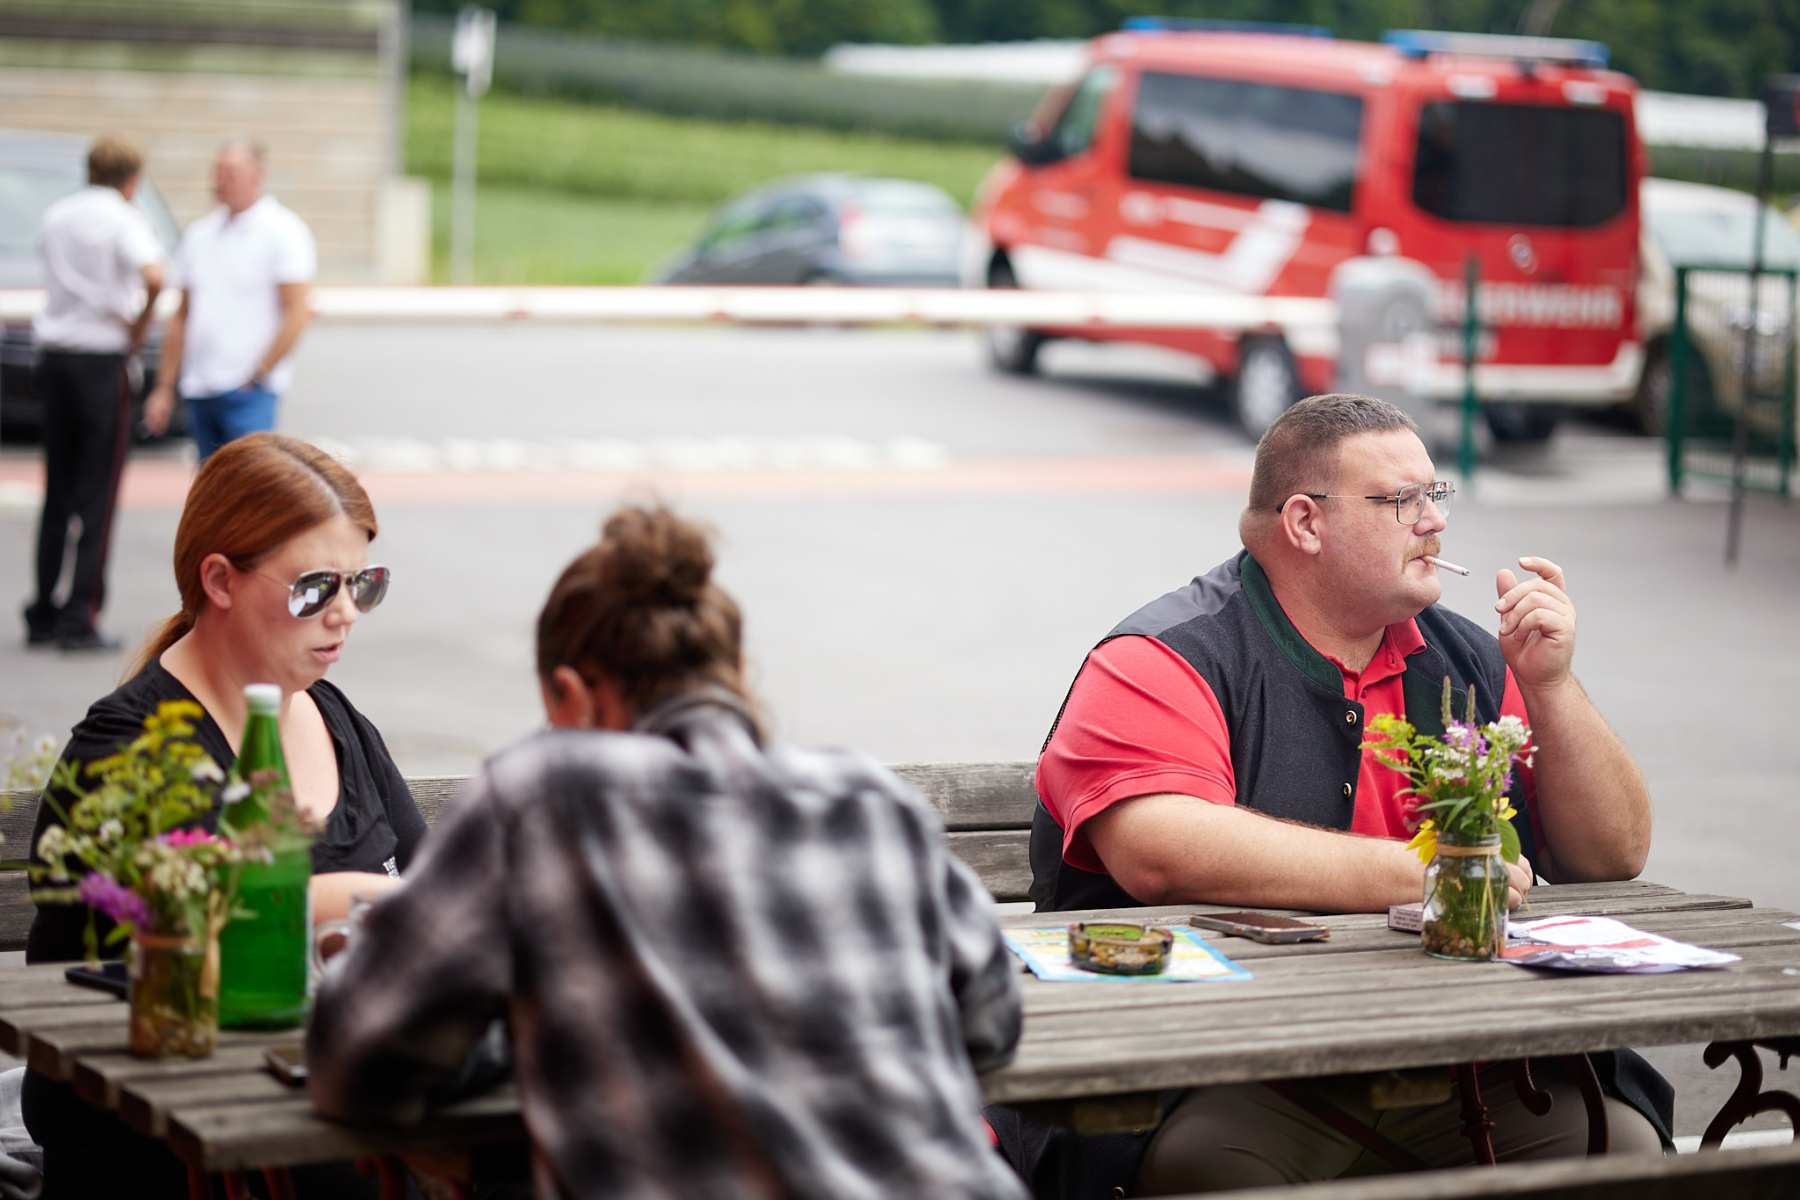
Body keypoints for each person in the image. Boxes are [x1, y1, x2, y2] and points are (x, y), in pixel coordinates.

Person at [1024, 393, 1663, 1194]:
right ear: (1305, 523)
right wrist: (1423, 873)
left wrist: (1552, 685)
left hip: (1460, 1062)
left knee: (1627, 1154)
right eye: (1403, 501)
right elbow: (1159, 849)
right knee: (1212, 1171)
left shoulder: (1471, 659)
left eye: (1437, 495)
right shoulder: (1161, 656)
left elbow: (1612, 855)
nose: (1435, 521)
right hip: (1225, 1068)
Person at [307, 504, 1027, 1200]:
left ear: (568, 697)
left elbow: (358, 1057)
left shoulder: (545, 800)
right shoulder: (872, 800)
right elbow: (991, 1026)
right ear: (734, 670)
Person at [24, 432, 423, 1198]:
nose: (345, 614)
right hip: (159, 1132)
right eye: (316, 587)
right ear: (220, 580)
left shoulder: (337, 721)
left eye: (362, 585)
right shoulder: (129, 750)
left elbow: (437, 906)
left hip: (316, 1099)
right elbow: (166, 959)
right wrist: (350, 899)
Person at [23, 135, 165, 652]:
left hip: (56, 356)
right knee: (99, 492)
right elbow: (155, 276)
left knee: (58, 487)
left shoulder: (58, 214)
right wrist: (137, 328)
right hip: (101, 358)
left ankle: (43, 606)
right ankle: (80, 613)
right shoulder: (124, 219)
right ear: (131, 180)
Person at [144, 140, 315, 459]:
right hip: (200, 385)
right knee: (210, 482)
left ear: (257, 176)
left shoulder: (284, 231)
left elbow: (297, 310)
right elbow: (182, 314)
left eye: (230, 173)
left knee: (249, 478)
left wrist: (260, 373)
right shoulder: (200, 234)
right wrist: (165, 386)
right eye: (217, 172)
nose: (219, 181)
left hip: (248, 390)